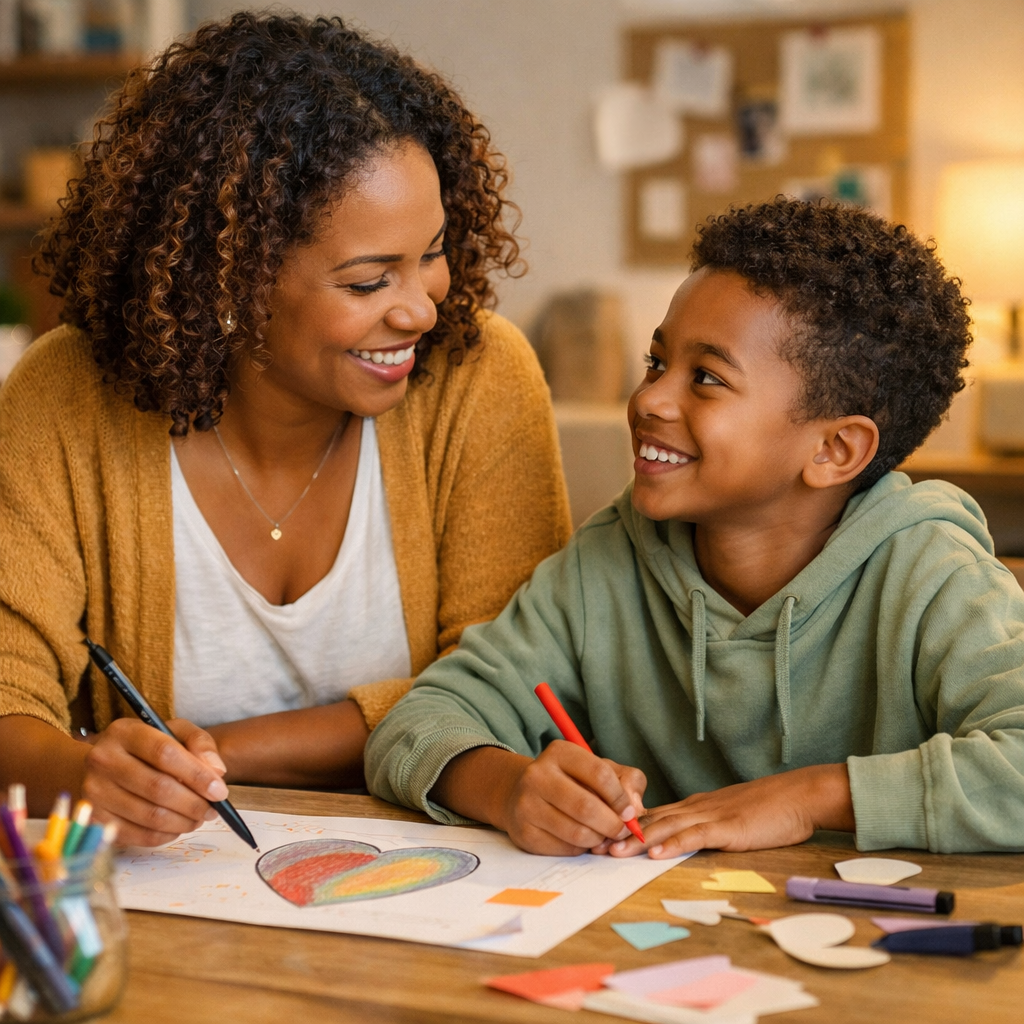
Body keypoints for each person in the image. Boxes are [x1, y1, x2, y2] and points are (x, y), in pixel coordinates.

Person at [0, 13, 571, 846]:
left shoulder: (476, 378)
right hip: (167, 908)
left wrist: (217, 754)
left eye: (434, 253)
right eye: (370, 279)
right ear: (228, 279)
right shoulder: (66, 396)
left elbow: (510, 685)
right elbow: (9, 691)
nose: (422, 306)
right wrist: (89, 775)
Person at [366, 197, 1024, 858]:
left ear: (834, 451)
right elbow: (418, 722)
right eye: (657, 362)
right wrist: (508, 788)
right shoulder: (610, 560)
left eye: (706, 378)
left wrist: (807, 798)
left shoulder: (932, 573)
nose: (650, 398)